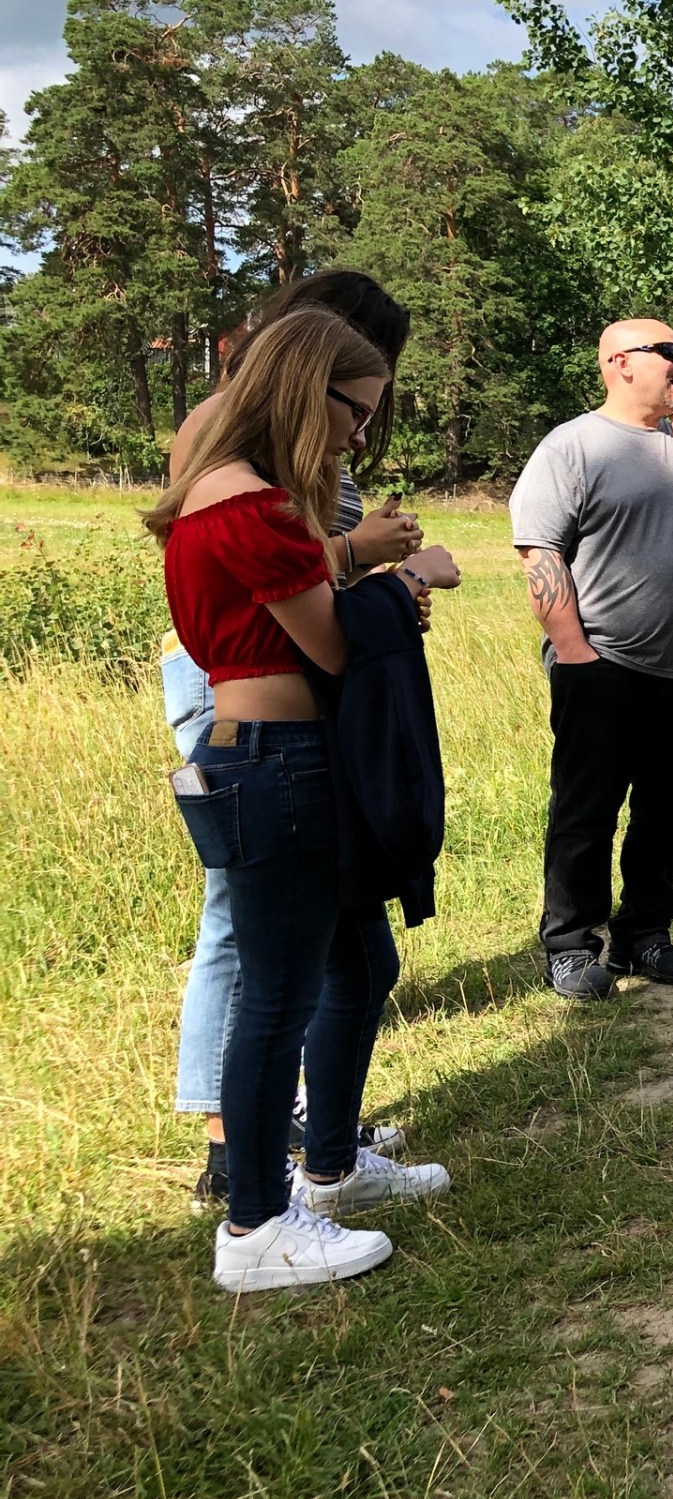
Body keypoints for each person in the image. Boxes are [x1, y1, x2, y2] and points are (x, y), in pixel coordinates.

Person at [147, 309, 459, 1291]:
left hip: (274, 757)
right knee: (276, 999)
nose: (359, 435)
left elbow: (296, 606)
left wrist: (358, 567)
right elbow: (327, 641)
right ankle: (253, 1228)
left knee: (361, 963)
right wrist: (404, 574)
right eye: (353, 412)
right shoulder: (251, 505)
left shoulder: (239, 499)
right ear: (301, 386)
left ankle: (327, 1167)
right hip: (278, 764)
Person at [509, 319, 673, 1002]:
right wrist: (576, 656)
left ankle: (644, 936)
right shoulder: (573, 445)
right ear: (620, 362)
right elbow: (540, 553)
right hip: (605, 665)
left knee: (668, 812)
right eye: (670, 353)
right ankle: (571, 946)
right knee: (586, 811)